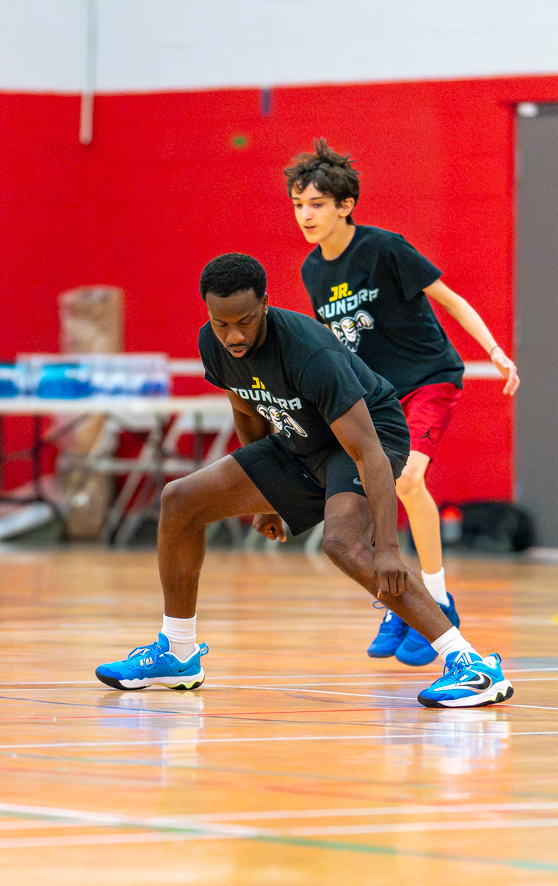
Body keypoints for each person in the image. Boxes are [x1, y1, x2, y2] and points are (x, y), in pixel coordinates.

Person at [95, 253, 514, 709]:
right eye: (221, 323)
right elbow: (246, 406)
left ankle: (472, 666)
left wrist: (389, 548)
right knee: (180, 500)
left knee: (343, 544)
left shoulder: (311, 352)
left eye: (245, 321)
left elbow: (368, 451)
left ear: (266, 305)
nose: (234, 335)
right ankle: (178, 653)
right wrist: (266, 498)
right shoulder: (213, 344)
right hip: (301, 439)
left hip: (368, 436)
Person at [287, 140, 520, 666]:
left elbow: (452, 300)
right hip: (378, 395)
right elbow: (336, 345)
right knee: (372, 487)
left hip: (430, 378)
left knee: (407, 480)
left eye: (317, 204)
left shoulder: (384, 248)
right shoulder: (311, 271)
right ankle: (398, 602)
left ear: (345, 206)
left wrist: (496, 352)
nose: (306, 215)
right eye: (299, 204)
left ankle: (437, 599)